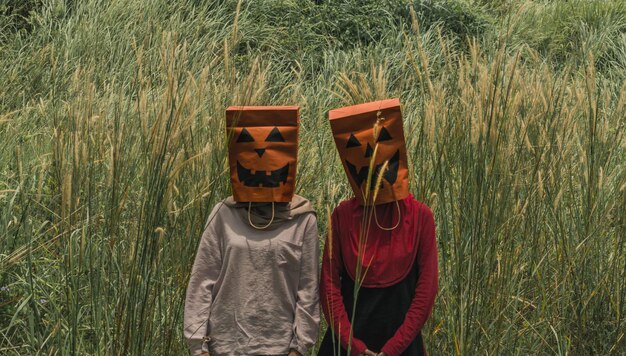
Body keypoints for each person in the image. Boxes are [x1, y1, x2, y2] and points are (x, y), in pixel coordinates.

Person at [184, 106, 319, 356]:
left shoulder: (303, 218)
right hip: (224, 346)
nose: (260, 152)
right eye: (246, 141)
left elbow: (308, 289)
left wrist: (299, 348)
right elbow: (202, 280)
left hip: (279, 347)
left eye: (275, 142)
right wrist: (198, 345)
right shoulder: (223, 214)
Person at [318, 99, 438, 356]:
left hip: (404, 347)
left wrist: (393, 349)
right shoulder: (341, 216)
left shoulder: (420, 217)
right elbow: (329, 286)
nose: (371, 156)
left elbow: (425, 293)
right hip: (345, 347)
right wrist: (354, 347)